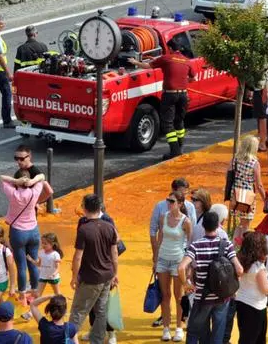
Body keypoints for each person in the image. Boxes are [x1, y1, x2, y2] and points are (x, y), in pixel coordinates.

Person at [179, 210, 243, 344]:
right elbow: (239, 269)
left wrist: (186, 284)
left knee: (199, 332)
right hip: (222, 297)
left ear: (203, 226)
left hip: (202, 297)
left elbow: (181, 267)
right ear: (218, 225)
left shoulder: (195, 246)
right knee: (218, 333)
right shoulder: (227, 245)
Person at [69, 194, 120, 344]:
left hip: (90, 277)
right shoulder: (110, 227)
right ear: (99, 208)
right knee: (101, 310)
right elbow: (114, 254)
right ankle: (96, 340)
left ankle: (68, 340)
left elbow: (78, 257)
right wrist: (114, 274)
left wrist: (74, 277)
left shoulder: (84, 229)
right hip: (107, 276)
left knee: (78, 311)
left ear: (84, 208)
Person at [129, 45, 195, 160]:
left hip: (170, 95)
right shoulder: (186, 60)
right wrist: (182, 82)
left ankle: (175, 151)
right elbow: (193, 78)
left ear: (170, 48)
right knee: (179, 121)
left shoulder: (166, 58)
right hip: (183, 95)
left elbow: (147, 65)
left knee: (167, 124)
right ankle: (180, 147)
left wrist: (134, 61)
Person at [0, 169, 47, 304]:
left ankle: (22, 295)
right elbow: (42, 176)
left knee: (21, 266)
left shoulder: (13, 194)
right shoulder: (34, 192)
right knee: (33, 262)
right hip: (33, 231)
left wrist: (16, 181)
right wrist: (32, 181)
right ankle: (35, 291)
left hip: (18, 232)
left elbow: (2, 178)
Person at [154, 190, 192, 341]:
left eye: (172, 201)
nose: (168, 204)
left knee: (178, 296)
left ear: (180, 204)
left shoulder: (186, 221)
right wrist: (155, 259)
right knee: (165, 295)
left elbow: (189, 244)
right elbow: (160, 239)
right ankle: (166, 327)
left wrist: (187, 265)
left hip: (178, 261)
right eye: (168, 201)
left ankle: (178, 327)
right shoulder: (163, 217)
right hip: (163, 259)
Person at [234, 231, 268, 344]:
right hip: (256, 307)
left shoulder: (242, 262)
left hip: (242, 303)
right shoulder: (258, 268)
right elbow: (265, 289)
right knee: (257, 339)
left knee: (245, 337)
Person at [229, 134, 266, 242]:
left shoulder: (235, 159)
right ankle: (241, 246)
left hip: (235, 193)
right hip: (247, 195)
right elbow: (259, 185)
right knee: (246, 223)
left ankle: (234, 244)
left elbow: (228, 174)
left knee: (241, 222)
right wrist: (265, 199)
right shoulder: (254, 163)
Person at [28, 232, 63, 298]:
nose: (43, 245)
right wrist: (31, 260)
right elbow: (39, 264)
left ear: (52, 244)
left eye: (45, 244)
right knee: (38, 295)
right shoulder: (41, 253)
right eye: (42, 243)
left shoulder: (55, 254)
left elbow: (58, 268)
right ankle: (34, 307)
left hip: (53, 277)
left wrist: (53, 274)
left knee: (57, 294)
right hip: (43, 276)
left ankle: (61, 306)